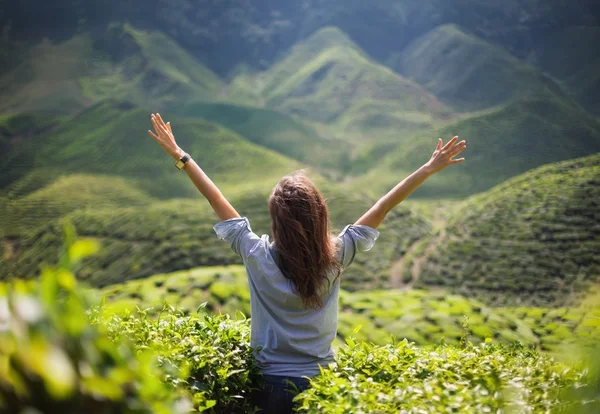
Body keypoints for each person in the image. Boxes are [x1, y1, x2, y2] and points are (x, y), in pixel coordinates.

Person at [148, 113, 466, 413]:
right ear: (320, 217)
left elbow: (216, 198)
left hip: (267, 386)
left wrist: (181, 156)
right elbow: (383, 205)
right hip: (320, 385)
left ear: (277, 223)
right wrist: (427, 169)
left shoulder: (255, 254)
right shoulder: (337, 254)